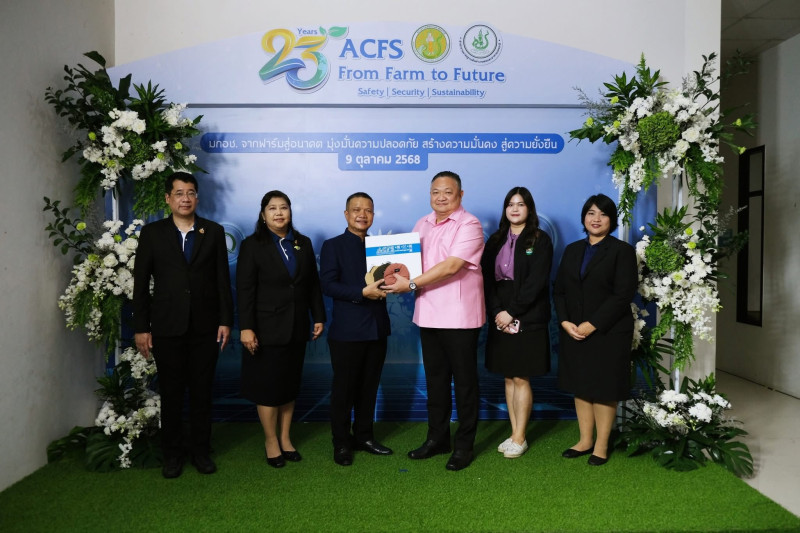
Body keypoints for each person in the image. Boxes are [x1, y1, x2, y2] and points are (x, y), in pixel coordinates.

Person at [133, 171, 234, 479]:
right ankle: (173, 455)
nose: (185, 198)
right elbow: (141, 284)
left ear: (197, 198)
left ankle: (201, 451)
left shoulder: (213, 231)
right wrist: (141, 327)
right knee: (172, 393)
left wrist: (225, 320)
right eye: (179, 193)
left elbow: (222, 280)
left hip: (205, 327)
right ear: (168, 198)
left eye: (190, 193)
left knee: (202, 393)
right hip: (167, 326)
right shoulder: (152, 233)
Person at [384, 170, 485, 471]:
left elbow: (452, 266)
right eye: (435, 192)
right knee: (436, 382)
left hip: (459, 316)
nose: (441, 197)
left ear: (460, 195)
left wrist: (411, 284)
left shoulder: (470, 224)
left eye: (448, 192)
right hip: (428, 313)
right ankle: (437, 439)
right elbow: (407, 264)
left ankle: (464, 446)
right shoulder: (422, 224)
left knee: (465, 385)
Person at [237, 190, 326, 468]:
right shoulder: (252, 245)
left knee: (289, 385)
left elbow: (312, 284)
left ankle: (286, 438)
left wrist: (318, 315)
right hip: (265, 328)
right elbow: (245, 289)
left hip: (297, 326)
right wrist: (246, 327)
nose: (279, 213)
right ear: (263, 215)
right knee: (268, 387)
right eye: (272, 208)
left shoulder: (303, 242)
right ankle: (271, 440)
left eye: (284, 207)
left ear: (290, 212)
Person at [553, 193, 637, 466]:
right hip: (574, 330)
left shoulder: (622, 251)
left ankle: (601, 446)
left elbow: (623, 295)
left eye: (603, 214)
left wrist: (593, 324)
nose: (596, 218)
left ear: (611, 220)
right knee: (581, 386)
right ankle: (584, 440)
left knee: (604, 388)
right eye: (591, 213)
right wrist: (565, 321)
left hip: (608, 331)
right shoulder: (572, 250)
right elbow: (559, 290)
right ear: (584, 218)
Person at [319, 192, 392, 466]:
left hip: (377, 328)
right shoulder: (333, 246)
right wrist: (361, 292)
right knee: (344, 390)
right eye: (357, 209)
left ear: (373, 215)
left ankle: (364, 436)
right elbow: (327, 285)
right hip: (347, 331)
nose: (363, 215)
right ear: (346, 214)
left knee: (369, 388)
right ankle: (341, 442)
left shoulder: (382, 248)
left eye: (368, 210)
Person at [481, 186, 553, 459]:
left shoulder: (540, 240)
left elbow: (536, 283)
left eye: (520, 204)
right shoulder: (495, 240)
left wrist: (512, 312)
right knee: (508, 375)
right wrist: (498, 311)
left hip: (528, 315)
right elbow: (486, 279)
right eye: (510, 204)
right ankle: (514, 434)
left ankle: (520, 437)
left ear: (529, 209)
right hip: (500, 314)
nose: (514, 208)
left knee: (521, 376)